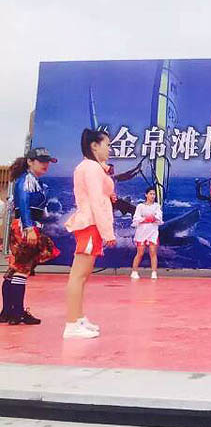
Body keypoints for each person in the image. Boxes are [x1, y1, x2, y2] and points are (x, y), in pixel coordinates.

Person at [63, 129, 117, 339]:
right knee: (78, 276)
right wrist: (108, 232)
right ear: (94, 146)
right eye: (107, 145)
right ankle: (71, 324)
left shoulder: (91, 167)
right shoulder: (91, 168)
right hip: (90, 224)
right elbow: (95, 201)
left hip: (91, 224)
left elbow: (105, 191)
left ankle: (78, 318)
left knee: (82, 276)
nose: (109, 149)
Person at [0, 148, 60, 325]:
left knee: (14, 270)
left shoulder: (31, 180)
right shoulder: (27, 180)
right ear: (30, 162)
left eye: (47, 161)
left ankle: (8, 312)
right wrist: (28, 227)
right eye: (41, 161)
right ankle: (17, 313)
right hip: (25, 227)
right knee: (22, 270)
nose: (45, 165)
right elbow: (24, 204)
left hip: (25, 225)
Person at [131, 186, 163, 280]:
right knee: (140, 253)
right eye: (151, 194)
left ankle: (154, 272)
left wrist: (154, 218)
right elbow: (136, 218)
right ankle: (134, 271)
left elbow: (159, 217)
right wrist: (145, 219)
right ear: (146, 195)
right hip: (141, 232)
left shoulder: (156, 206)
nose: (153, 196)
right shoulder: (140, 206)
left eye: (154, 194)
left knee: (153, 252)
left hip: (152, 232)